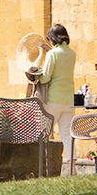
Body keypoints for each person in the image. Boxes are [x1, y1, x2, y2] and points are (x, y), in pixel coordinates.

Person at [34, 24, 77, 174]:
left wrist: (35, 74)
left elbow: (46, 78)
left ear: (52, 38)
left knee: (44, 132)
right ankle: (72, 168)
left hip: (53, 98)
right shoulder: (72, 53)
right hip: (68, 99)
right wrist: (49, 50)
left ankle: (41, 167)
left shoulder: (52, 55)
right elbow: (60, 58)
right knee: (66, 133)